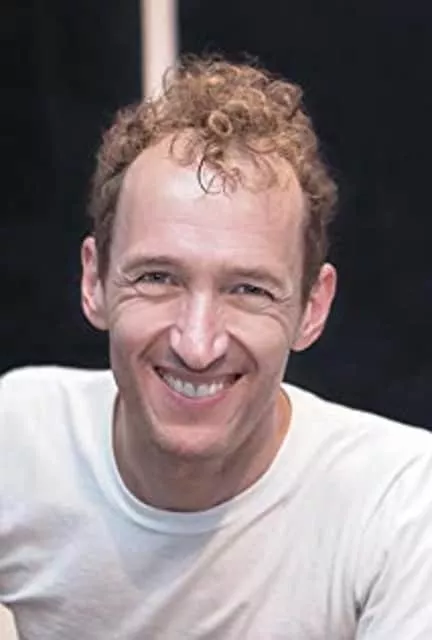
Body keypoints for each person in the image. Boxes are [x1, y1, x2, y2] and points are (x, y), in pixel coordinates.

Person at [1, 56, 431, 639]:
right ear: (93, 281)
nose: (197, 344)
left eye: (249, 290)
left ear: (313, 307)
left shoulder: (401, 500)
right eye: (157, 278)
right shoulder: (18, 440)